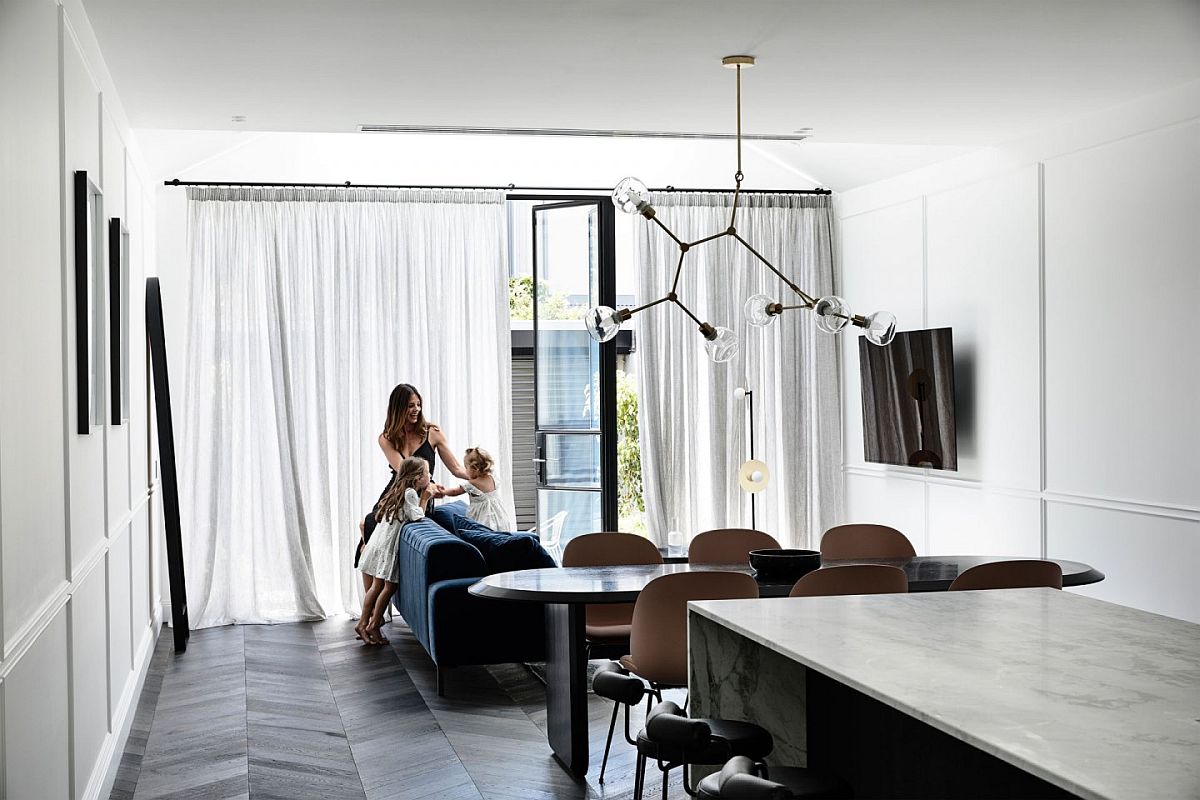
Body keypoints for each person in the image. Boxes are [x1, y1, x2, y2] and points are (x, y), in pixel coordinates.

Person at [355, 383, 470, 591]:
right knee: (367, 535)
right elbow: (404, 473)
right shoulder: (387, 438)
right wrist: (431, 483)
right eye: (410, 406)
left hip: (421, 494)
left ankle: (377, 605)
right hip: (396, 492)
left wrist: (478, 476)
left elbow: (456, 468)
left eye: (418, 404)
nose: (416, 409)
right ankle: (373, 611)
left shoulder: (432, 433)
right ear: (398, 409)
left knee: (370, 533)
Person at [355, 456, 435, 645]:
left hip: (379, 544)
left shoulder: (399, 490)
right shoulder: (410, 494)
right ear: (417, 477)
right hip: (387, 547)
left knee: (377, 587)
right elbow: (417, 516)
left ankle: (364, 623)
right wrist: (425, 498)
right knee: (389, 587)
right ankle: (372, 624)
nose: (430, 476)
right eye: (427, 473)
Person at [440, 446, 512, 531]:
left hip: (483, 519)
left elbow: (455, 491)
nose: (465, 471)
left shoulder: (472, 484)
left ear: (475, 469)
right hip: (500, 517)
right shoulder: (493, 477)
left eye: (466, 468)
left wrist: (443, 491)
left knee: (481, 532)